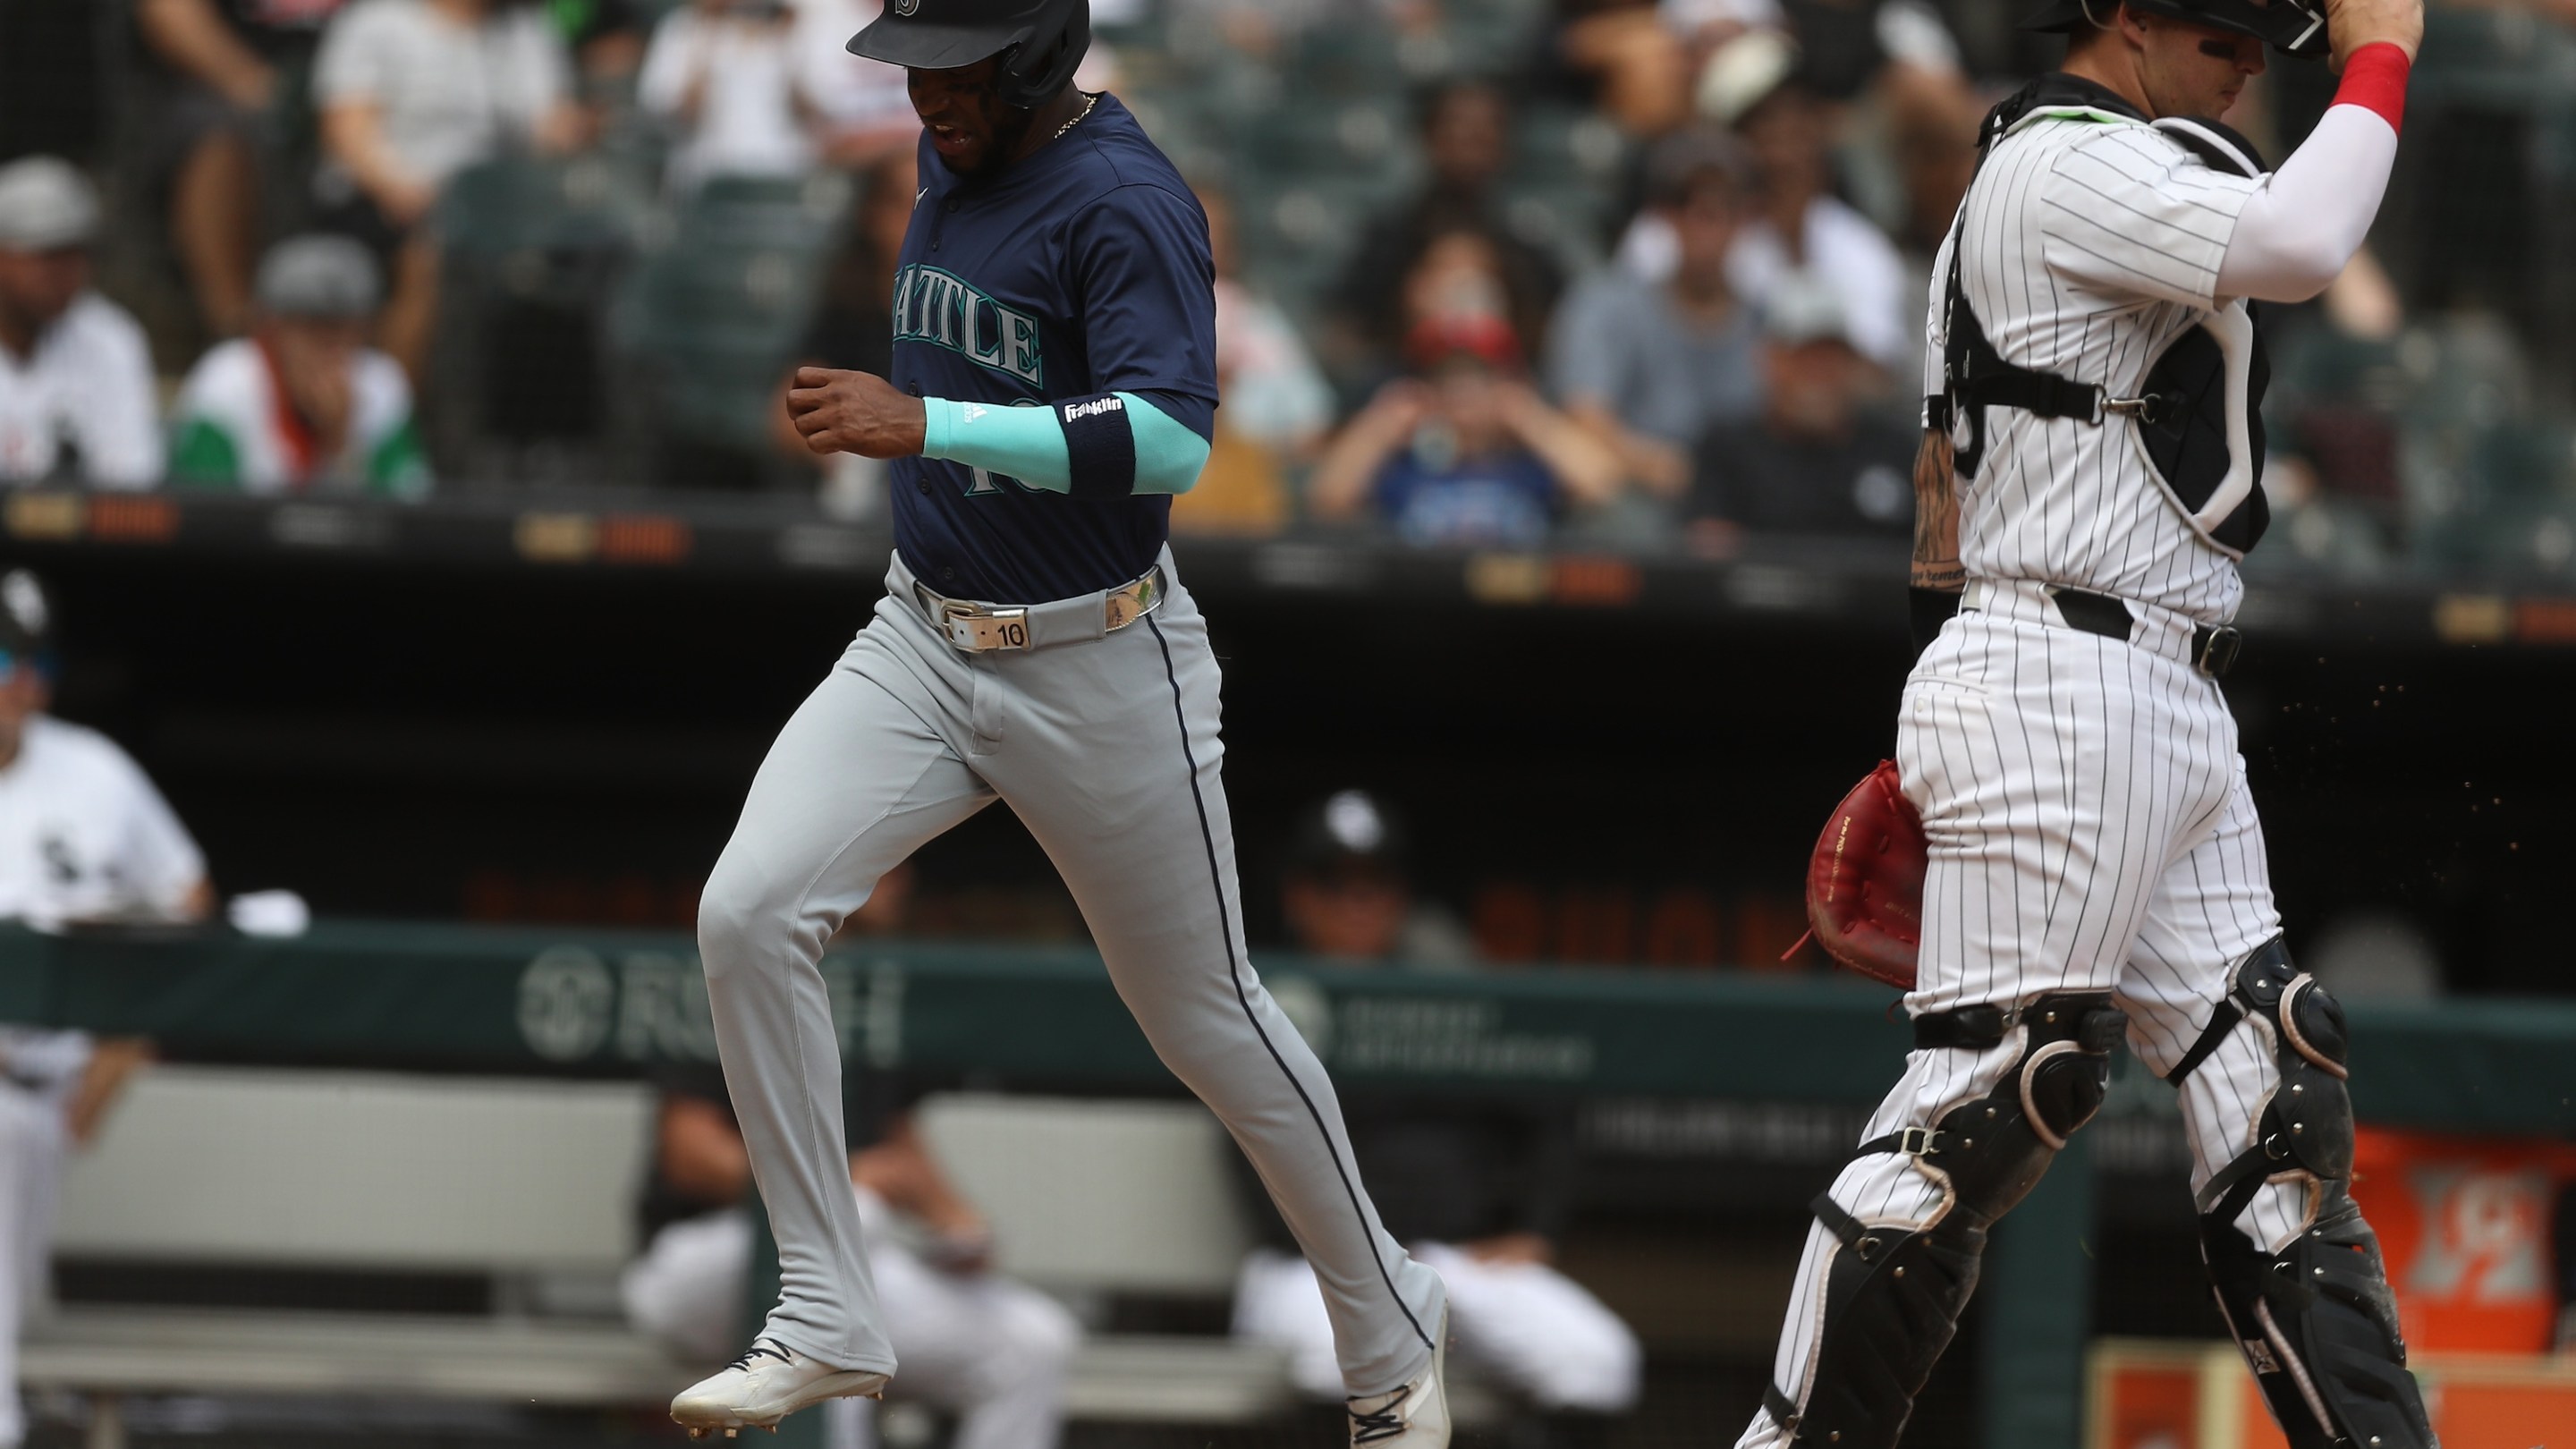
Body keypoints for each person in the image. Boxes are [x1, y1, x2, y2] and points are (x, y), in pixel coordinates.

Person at [680, 2, 1455, 1443]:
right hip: (920, 636)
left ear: (1037, 56)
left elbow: (1170, 438)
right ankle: (829, 1306)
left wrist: (929, 427)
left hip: (1099, 661)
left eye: (957, 66)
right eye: (915, 66)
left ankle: (1392, 1327)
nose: (927, 96)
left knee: (1208, 1021)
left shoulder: (1125, 196)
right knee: (748, 913)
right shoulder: (946, 155)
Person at [1733, 0, 2436, 1445]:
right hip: (2062, 668)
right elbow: (2305, 245)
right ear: (2125, 15)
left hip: (2149, 681)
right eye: (2229, 30)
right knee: (1993, 1094)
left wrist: (1936, 703)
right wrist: (2386, 55)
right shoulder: (2063, 158)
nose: (2251, 63)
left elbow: (1945, 482)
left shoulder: (2097, 164)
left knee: (2275, 1101)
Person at [623, 864, 1079, 1449]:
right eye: (886, 862)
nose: (905, 878)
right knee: (856, 1215)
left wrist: (958, 1228)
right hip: (703, 1268)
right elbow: (691, 1155)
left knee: (1032, 1342)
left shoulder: (875, 992)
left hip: (847, 1253)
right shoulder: (741, 971)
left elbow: (902, 1158)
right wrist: (840, 1183)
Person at [1237, 791, 1640, 1433]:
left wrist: (1534, 1229)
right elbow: (1247, 1158)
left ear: (1402, 896)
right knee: (1335, 1357)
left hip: (1454, 1262)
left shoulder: (1451, 999)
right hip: (1313, 1267)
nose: (1357, 902)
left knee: (1596, 1360)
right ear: (1298, 896)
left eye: (1375, 883)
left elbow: (1550, 1115)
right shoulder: (1261, 1003)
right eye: (1334, 884)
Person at [0, 570, 207, 1449]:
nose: (24, 684)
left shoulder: (91, 771)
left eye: (37, 660)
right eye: (4, 658)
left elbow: (190, 900)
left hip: (46, 1093)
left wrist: (124, 1049)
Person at [309, 0, 588, 381]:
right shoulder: (377, 21)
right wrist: (399, 189)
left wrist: (571, 131)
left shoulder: (526, 30)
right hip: (388, 198)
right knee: (428, 255)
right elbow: (347, 128)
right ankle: (395, 409)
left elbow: (550, 126)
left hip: (495, 205)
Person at [1546, 128, 1764, 503]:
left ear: (1747, 216)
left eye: (1724, 203)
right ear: (1663, 216)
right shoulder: (1606, 305)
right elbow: (1583, 420)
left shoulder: (1771, 323)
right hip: (1638, 502)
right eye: (1686, 201)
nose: (1704, 216)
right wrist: (1686, 474)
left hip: (1743, 510)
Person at [132, 0, 352, 340]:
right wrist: (253, 84)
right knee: (217, 133)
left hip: (357, 101)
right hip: (232, 93)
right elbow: (169, 12)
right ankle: (239, 333)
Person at [1325, 80, 1564, 389]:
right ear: (1428, 137)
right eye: (1455, 127)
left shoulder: (1526, 242)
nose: (1468, 142)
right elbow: (1347, 332)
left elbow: (1551, 333)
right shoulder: (1388, 241)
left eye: (1483, 133)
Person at [1309, 312, 1623, 547]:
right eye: (1447, 377)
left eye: (1477, 376)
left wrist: (1530, 416)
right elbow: (1328, 499)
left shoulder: (1529, 464)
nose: (1462, 391)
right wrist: (1381, 423)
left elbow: (1602, 484)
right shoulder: (1404, 467)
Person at [167, 233, 431, 496]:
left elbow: (410, 516)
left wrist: (342, 448)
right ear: (272, 329)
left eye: (343, 329)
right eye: (312, 328)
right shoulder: (227, 381)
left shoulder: (381, 383)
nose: (331, 347)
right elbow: (207, 517)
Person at [1682, 278, 1913, 550]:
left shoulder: (1899, 450)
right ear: (1768, 361)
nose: (1817, 374)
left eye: (1830, 357)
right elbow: (1710, 562)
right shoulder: (1727, 450)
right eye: (1802, 356)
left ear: (1853, 364)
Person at [0, 159, 161, 489]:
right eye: (48, 255)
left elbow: (130, 486)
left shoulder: (111, 338)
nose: (68, 272)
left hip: (84, 542)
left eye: (78, 254)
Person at [640, 0, 827, 192]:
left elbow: (816, 113)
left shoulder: (797, 21)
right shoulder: (685, 25)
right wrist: (707, 35)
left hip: (784, 170)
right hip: (709, 172)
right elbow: (674, 114)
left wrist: (787, 45)